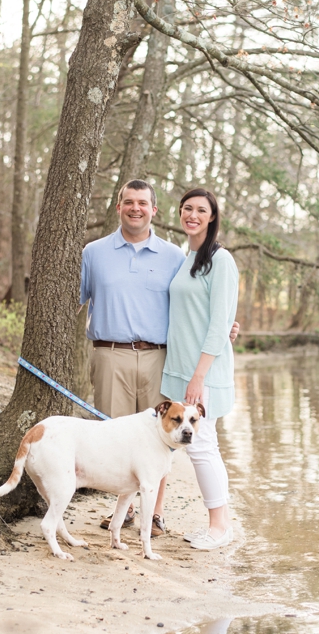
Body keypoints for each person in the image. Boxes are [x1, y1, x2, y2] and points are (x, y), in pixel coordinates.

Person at [79, 179, 237, 537]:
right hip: (111, 353)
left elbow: (208, 308)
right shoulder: (95, 252)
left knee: (161, 439)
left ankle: (158, 512)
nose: (136, 208)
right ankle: (126, 509)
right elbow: (72, 299)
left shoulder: (175, 257)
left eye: (143, 203)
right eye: (129, 202)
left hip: (161, 359)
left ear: (154, 210)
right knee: (114, 434)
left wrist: (226, 327)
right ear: (118, 207)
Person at [161, 187, 238, 550]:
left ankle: (220, 527)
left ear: (212, 217)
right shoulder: (181, 256)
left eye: (200, 210)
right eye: (187, 209)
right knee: (198, 447)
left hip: (202, 373)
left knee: (202, 447)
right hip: (178, 369)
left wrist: (199, 375)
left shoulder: (220, 260)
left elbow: (220, 323)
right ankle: (218, 523)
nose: (192, 215)